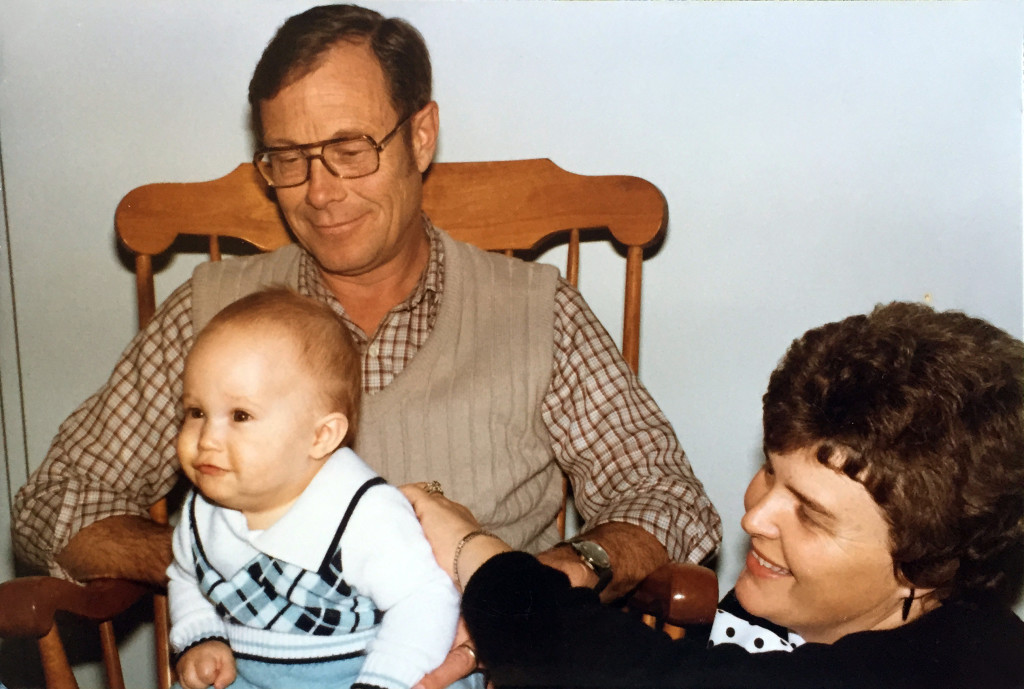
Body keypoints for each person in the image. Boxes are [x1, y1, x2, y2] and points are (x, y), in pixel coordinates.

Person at [13, 2, 719, 684]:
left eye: (350, 150)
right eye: (288, 158)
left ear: (420, 135)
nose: (320, 193)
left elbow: (668, 499)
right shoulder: (214, 314)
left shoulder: (537, 312)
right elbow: (59, 499)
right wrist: (221, 551)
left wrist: (550, 574)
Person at [405, 301, 1024, 689]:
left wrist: (478, 556)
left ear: (929, 565)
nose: (756, 516)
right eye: (771, 473)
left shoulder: (968, 666)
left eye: (808, 513)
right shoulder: (795, 602)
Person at [168, 289, 459, 689]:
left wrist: (384, 681)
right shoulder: (202, 512)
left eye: (240, 415)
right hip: (248, 675)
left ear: (321, 436)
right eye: (196, 412)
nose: (206, 439)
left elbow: (424, 599)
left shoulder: (362, 514)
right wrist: (201, 635)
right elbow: (186, 575)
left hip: (365, 669)